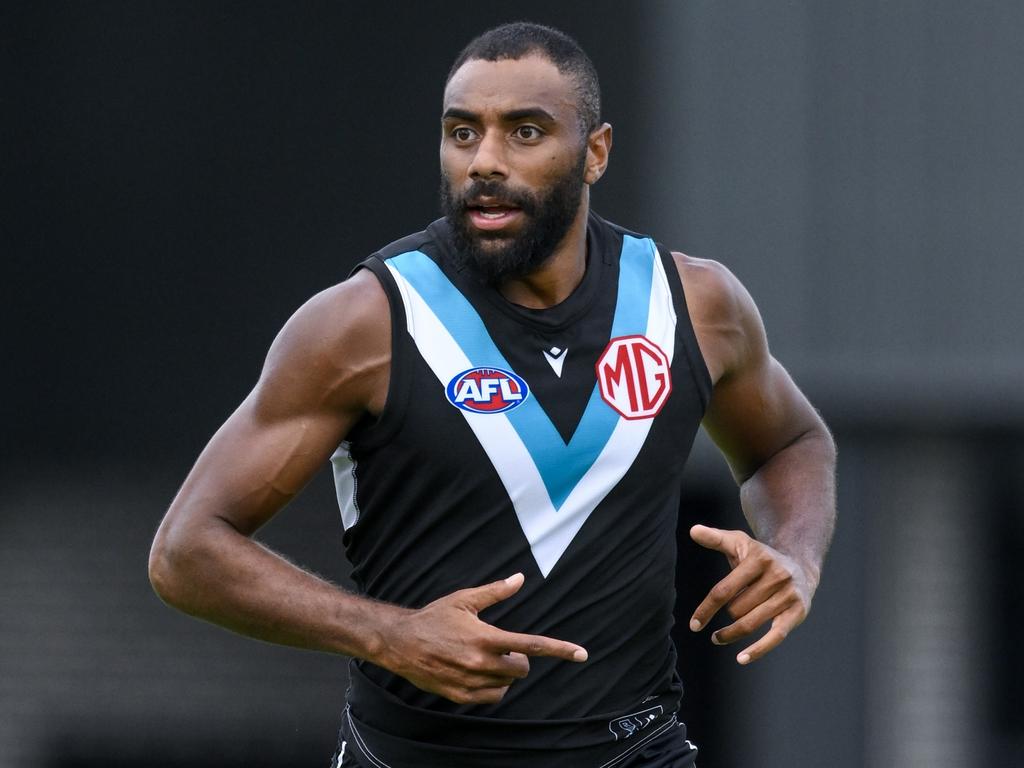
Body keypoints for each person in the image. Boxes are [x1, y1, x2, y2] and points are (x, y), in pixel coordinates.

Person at [149, 21, 836, 768]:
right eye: (462, 132)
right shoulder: (364, 322)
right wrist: (391, 635)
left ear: (595, 152)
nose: (485, 161)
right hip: (414, 755)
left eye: (525, 132)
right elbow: (186, 553)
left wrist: (795, 556)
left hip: (634, 751)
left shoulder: (695, 306)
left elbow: (793, 444)